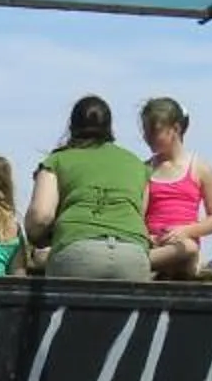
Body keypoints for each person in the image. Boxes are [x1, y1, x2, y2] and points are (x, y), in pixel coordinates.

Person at [27, 94, 152, 281]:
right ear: (109, 127)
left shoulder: (57, 161)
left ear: (72, 127)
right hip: (133, 255)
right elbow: (139, 213)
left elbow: (41, 216)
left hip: (77, 252)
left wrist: (37, 239)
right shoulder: (138, 165)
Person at [140, 96, 212, 279]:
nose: (147, 138)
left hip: (183, 249)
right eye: (145, 132)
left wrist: (185, 231)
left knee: (188, 248)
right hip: (154, 246)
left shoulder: (199, 168)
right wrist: (148, 237)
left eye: (154, 132)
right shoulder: (145, 170)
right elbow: (137, 215)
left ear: (176, 129)